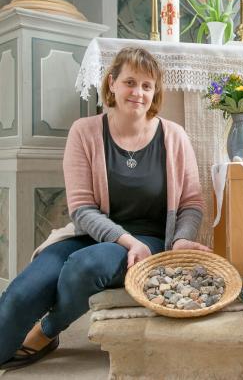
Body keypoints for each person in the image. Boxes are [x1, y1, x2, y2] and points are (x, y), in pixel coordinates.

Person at [0, 47, 210, 370]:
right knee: (17, 298)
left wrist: (180, 241)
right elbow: (82, 210)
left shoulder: (175, 137)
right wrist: (124, 239)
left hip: (147, 242)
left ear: (154, 93)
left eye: (146, 86)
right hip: (92, 234)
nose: (137, 93)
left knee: (83, 268)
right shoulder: (83, 133)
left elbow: (191, 203)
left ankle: (48, 330)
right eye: (129, 82)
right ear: (112, 83)